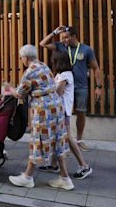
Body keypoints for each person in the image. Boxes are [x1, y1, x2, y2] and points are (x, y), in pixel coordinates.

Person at [7, 45, 74, 191]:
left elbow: (19, 94)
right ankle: (65, 178)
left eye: (21, 58)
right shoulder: (44, 66)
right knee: (57, 139)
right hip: (56, 105)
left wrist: (9, 88)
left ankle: (28, 177)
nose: (21, 60)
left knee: (37, 139)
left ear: (25, 57)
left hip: (43, 108)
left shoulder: (29, 72)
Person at [40, 26, 101, 152]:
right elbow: (42, 44)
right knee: (63, 113)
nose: (64, 40)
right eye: (63, 38)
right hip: (65, 86)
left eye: (67, 37)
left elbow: (96, 68)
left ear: (74, 36)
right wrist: (54, 32)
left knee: (81, 112)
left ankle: (78, 141)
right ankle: (65, 139)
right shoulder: (61, 46)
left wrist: (98, 87)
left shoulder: (86, 49)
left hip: (80, 86)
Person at [39, 51, 93, 179]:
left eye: (54, 61)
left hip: (63, 111)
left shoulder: (66, 75)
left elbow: (58, 91)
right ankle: (53, 164)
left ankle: (84, 166)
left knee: (68, 137)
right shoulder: (60, 74)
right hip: (58, 111)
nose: (52, 63)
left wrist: (44, 91)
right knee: (56, 137)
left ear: (59, 62)